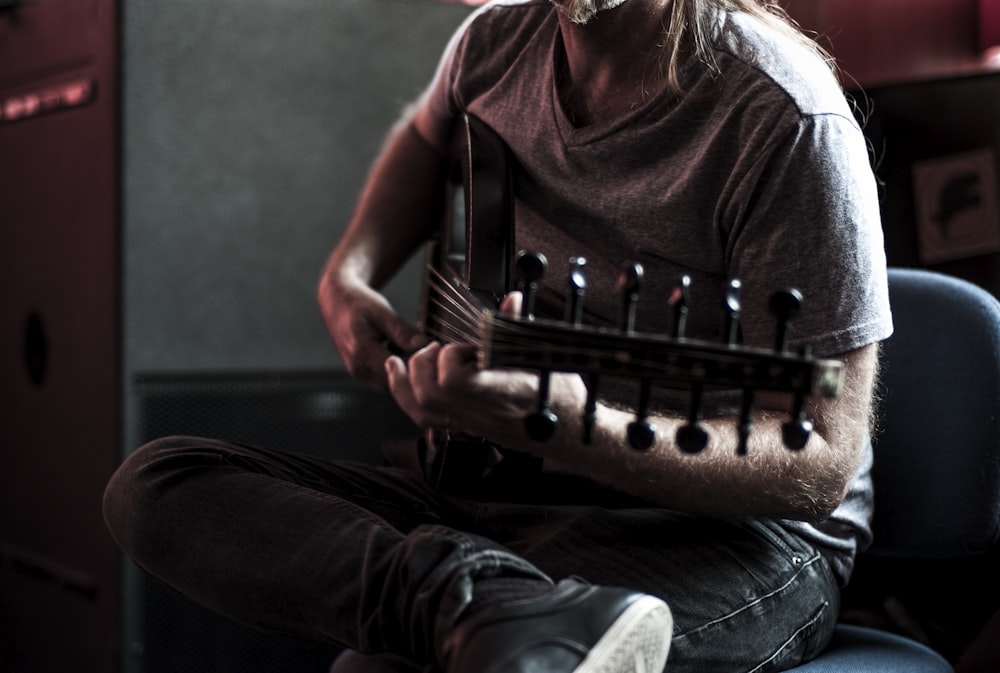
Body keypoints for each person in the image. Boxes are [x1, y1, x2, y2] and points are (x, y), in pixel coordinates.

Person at [103, 0, 892, 671]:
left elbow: (822, 458)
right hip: (507, 490)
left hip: (737, 541)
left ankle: (479, 610)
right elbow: (422, 141)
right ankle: (472, 598)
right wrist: (347, 276)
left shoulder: (785, 118)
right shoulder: (493, 44)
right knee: (156, 483)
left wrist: (572, 427)